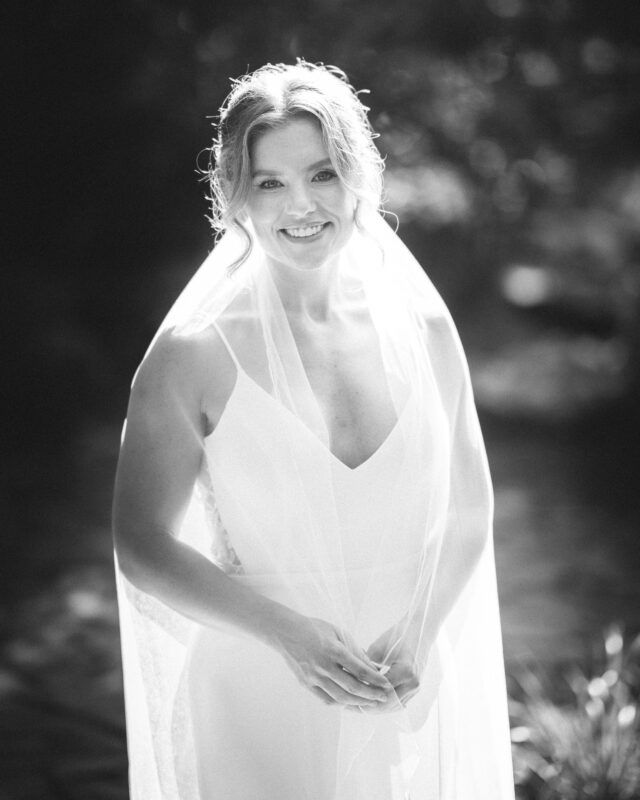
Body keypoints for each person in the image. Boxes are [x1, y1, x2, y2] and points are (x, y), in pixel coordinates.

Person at [112, 60, 515, 800]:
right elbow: (140, 542)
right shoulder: (193, 354)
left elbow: (468, 509)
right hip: (260, 689)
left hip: (407, 679)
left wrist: (421, 631)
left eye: (323, 174)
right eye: (271, 182)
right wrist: (288, 635)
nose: (303, 204)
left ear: (358, 177)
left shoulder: (424, 330)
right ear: (235, 195)